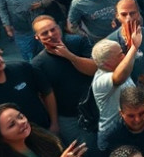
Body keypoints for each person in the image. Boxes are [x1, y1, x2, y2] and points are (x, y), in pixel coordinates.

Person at [0, 44, 58, 147]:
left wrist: (54, 123)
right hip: (15, 147)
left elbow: (47, 92)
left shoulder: (22, 68)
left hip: (45, 132)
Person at [31, 15, 96, 145]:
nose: (51, 35)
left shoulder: (78, 42)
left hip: (95, 106)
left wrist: (70, 56)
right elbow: (47, 95)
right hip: (68, 116)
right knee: (83, 150)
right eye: (45, 33)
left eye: (53, 29)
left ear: (59, 29)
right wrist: (54, 122)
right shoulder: (37, 64)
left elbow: (94, 69)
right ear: (37, 38)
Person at [92, 37, 142, 151]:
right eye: (119, 55)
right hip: (113, 137)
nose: (124, 56)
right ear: (107, 63)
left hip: (129, 128)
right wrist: (134, 48)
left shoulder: (118, 67)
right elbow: (119, 78)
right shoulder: (101, 80)